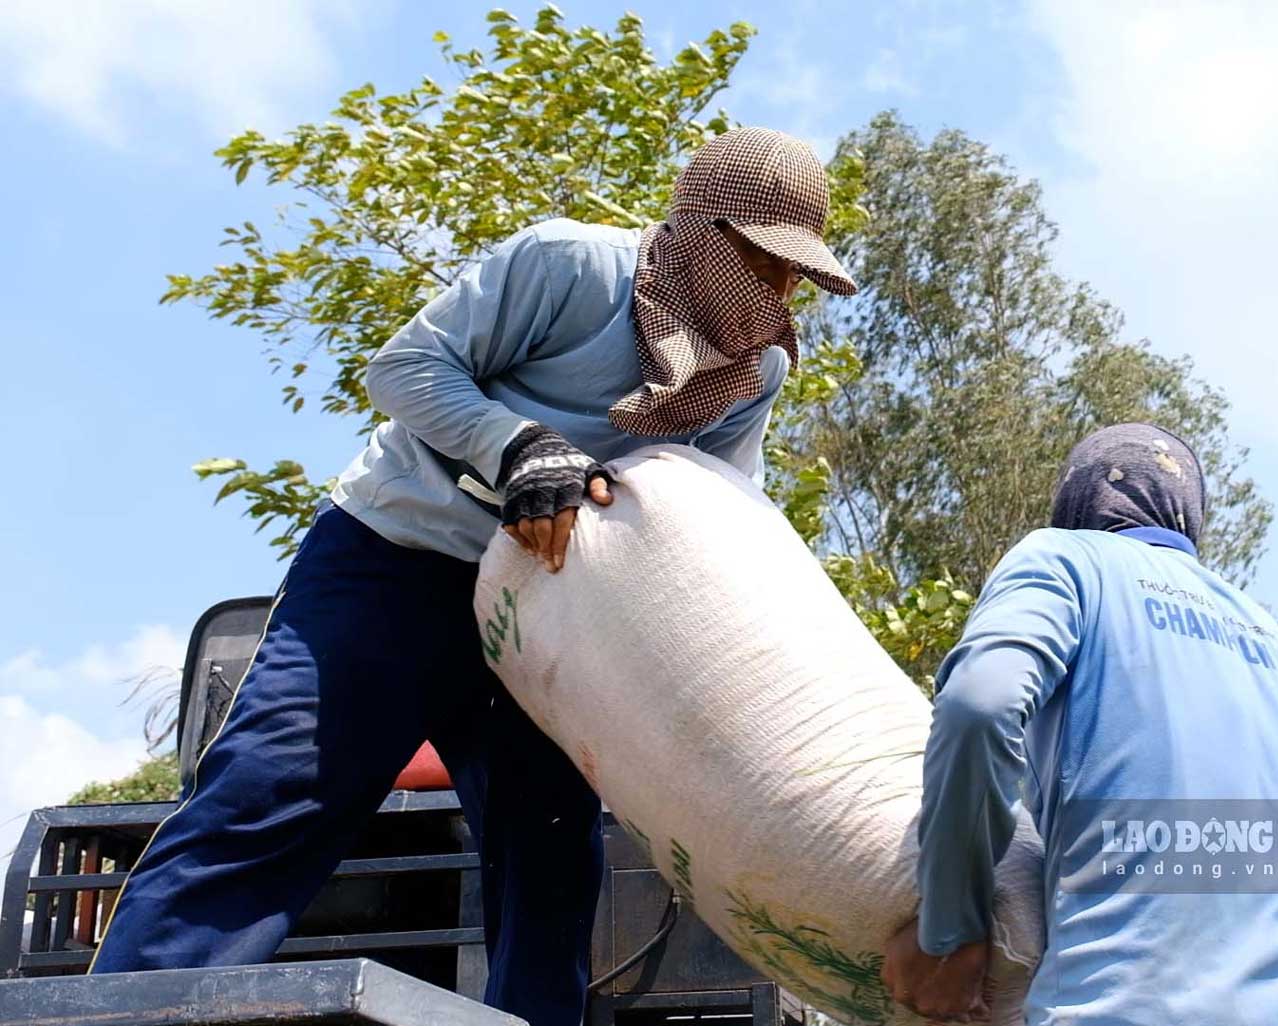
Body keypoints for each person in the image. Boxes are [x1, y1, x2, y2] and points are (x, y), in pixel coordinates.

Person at [90, 127, 858, 1025]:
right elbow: (403, 368)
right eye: (763, 264)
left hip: (551, 613)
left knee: (556, 860)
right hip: (395, 567)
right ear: (701, 231)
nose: (775, 293)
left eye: (792, 277)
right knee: (267, 797)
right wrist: (518, 447)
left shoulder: (752, 371)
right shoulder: (567, 266)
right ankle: (126, 1013)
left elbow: (716, 511)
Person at [881, 424, 1278, 1026]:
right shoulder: (1269, 635)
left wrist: (950, 937)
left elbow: (981, 705)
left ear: (1074, 502)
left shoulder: (1069, 559)